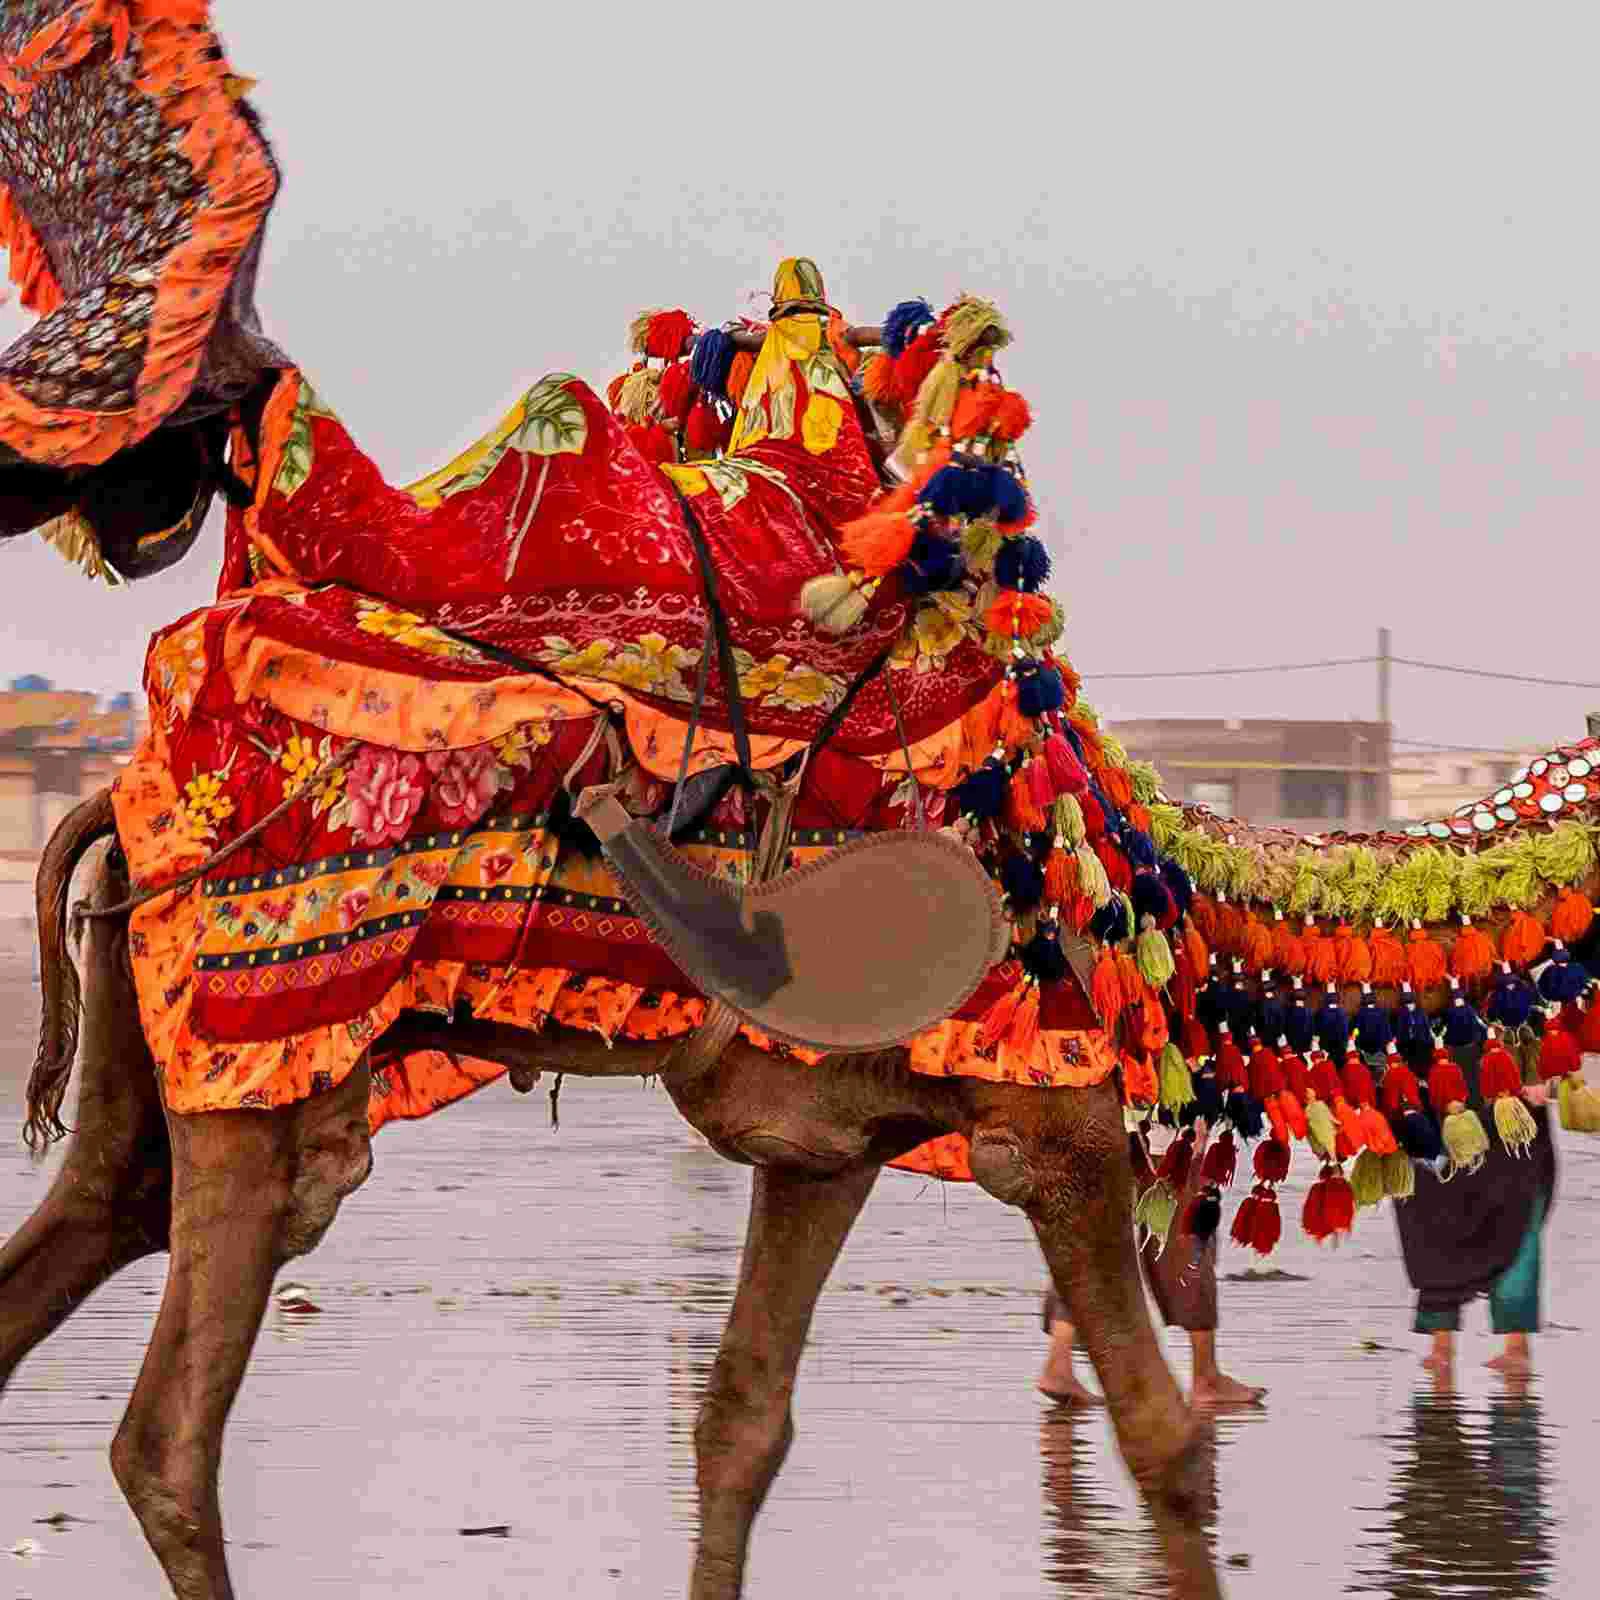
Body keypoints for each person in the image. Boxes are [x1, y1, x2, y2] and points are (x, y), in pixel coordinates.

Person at [1040, 1120, 1265, 1409]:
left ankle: (1058, 1363)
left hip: (1100, 1118)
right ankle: (1206, 1375)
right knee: (1189, 1237)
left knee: (1089, 1235)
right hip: (1167, 1133)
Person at [1394, 1041, 1556, 1382]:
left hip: (1501, 1088)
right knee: (1429, 1216)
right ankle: (1442, 1344)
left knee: (1516, 1207)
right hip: (1430, 1086)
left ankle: (1515, 1344)